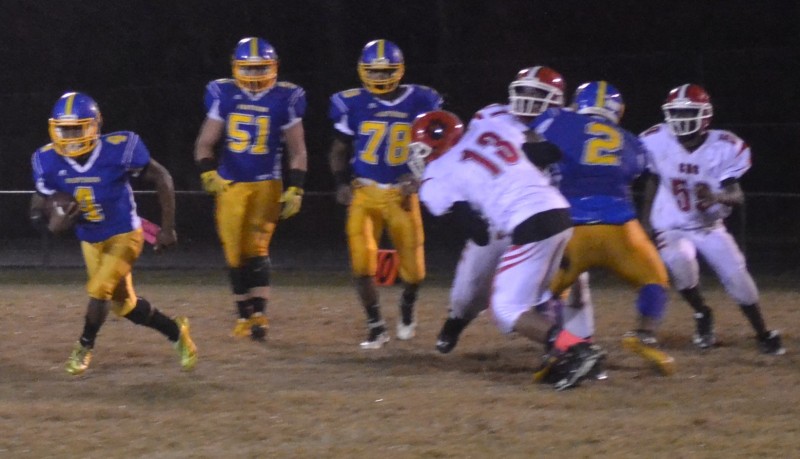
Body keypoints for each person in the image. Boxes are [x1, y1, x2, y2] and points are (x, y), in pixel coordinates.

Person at [411, 110, 606, 391]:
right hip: (560, 211)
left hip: (529, 223)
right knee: (542, 296)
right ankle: (569, 353)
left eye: (422, 149)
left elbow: (478, 233)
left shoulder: (436, 174)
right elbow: (545, 152)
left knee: (506, 308)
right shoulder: (490, 128)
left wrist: (482, 206)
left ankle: (579, 351)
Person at [30, 92, 197, 375]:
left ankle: (84, 346)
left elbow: (162, 177)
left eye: (77, 129)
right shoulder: (46, 159)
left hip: (124, 234)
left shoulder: (119, 148)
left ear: (94, 126)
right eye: (64, 129)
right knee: (125, 306)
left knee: (99, 290)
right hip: (89, 240)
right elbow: (38, 203)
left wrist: (167, 228)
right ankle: (176, 331)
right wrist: (48, 222)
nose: (70, 137)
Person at [529, 81, 675, 376]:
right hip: (622, 230)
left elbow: (530, 144)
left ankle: (558, 349)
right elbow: (640, 172)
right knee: (655, 280)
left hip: (571, 227)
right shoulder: (631, 140)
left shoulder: (557, 120)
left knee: (541, 296)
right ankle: (644, 335)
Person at [427, 66, 569, 354]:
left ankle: (563, 347)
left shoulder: (567, 127)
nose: (528, 98)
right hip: (498, 215)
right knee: (468, 290)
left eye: (536, 93)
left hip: (545, 212)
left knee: (554, 288)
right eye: (523, 91)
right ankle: (457, 320)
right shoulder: (493, 115)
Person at [640, 83, 784, 355]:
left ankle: (763, 333)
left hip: (709, 226)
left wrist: (716, 197)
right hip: (671, 224)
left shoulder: (724, 146)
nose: (681, 119)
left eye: (687, 113)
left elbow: (737, 196)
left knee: (738, 279)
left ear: (705, 115)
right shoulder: (657, 140)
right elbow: (652, 179)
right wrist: (645, 220)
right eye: (676, 113)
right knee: (680, 263)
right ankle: (702, 312)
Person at [328, 39, 442, 349]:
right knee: (361, 263)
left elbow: (439, 148)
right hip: (364, 192)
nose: (379, 78)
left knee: (415, 273)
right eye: (374, 72)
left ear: (399, 70)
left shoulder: (421, 100)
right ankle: (376, 326)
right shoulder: (351, 102)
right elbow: (338, 150)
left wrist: (420, 178)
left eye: (386, 71)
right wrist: (341, 182)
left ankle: (407, 303)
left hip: (401, 195)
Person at [194, 37, 308, 340]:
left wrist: (296, 187)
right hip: (230, 184)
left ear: (273, 67)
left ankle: (258, 316)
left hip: (267, 183)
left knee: (257, 248)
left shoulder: (286, 98)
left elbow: (298, 150)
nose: (255, 75)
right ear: (236, 67)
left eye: (261, 68)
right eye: (249, 68)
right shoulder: (224, 94)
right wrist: (208, 172)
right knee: (234, 252)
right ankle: (244, 313)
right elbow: (205, 143)